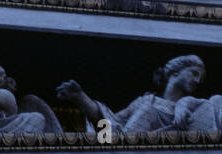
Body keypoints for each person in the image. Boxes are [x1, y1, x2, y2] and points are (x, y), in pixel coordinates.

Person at [56, 53, 205, 134]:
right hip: (124, 152)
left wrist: (185, 103)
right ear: (176, 71)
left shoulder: (194, 109)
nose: (197, 81)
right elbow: (110, 126)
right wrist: (81, 98)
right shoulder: (146, 101)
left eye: (200, 78)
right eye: (194, 73)